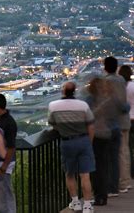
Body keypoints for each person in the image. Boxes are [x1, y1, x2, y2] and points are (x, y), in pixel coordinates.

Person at [49, 82, 95, 213]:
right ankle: (87, 205)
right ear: (74, 91)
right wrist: (89, 143)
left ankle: (75, 202)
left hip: (67, 142)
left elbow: (53, 123)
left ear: (63, 92)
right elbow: (91, 125)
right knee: (85, 175)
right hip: (83, 140)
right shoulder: (83, 105)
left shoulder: (53, 106)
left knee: (69, 174)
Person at [85, 77, 115, 206]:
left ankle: (98, 195)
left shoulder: (90, 101)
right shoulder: (106, 99)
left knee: (95, 167)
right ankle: (103, 195)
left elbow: (88, 116)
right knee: (103, 166)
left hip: (94, 135)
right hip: (106, 134)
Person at [104, 56, 129, 197]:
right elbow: (123, 102)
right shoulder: (121, 80)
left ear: (105, 67)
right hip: (122, 121)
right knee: (119, 154)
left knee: (109, 156)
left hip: (109, 123)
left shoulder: (106, 82)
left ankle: (111, 186)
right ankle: (122, 184)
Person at [0, 93, 17, 213]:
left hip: (3, 164)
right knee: (0, 197)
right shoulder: (0, 120)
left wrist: (4, 167)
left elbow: (11, 147)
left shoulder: (8, 123)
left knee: (4, 196)